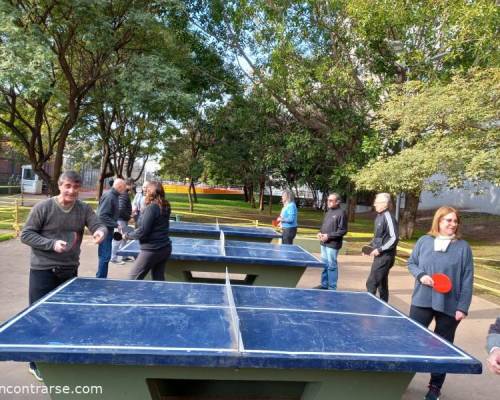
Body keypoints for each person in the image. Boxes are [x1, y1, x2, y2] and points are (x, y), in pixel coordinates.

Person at [20, 171, 107, 381]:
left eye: (75, 187)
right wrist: (51, 244)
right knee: (40, 317)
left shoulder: (83, 208)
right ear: (60, 185)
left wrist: (100, 232)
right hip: (43, 270)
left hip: (69, 269)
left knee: (66, 316)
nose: (71, 190)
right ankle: (35, 362)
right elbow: (26, 234)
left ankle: (59, 357)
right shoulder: (43, 207)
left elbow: (97, 223)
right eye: (67, 186)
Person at [408, 206, 474, 400]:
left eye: (455, 221)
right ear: (438, 221)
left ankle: (435, 387)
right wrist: (421, 276)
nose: (453, 224)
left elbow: (467, 279)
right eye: (448, 220)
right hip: (422, 300)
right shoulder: (424, 241)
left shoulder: (463, 247)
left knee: (440, 347)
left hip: (450, 305)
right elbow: (411, 263)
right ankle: (399, 377)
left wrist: (462, 307)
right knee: (410, 341)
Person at [123, 181, 172, 281]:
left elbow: (143, 231)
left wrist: (127, 235)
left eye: (147, 189)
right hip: (165, 248)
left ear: (150, 192)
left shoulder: (152, 208)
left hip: (152, 250)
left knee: (131, 280)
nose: (145, 191)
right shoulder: (165, 205)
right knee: (158, 279)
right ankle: (158, 297)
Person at [364, 193, 398, 301]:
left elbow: (394, 238)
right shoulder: (379, 217)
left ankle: (370, 307)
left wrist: (380, 249)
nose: (374, 204)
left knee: (371, 282)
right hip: (380, 256)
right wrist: (369, 247)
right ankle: (384, 306)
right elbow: (378, 237)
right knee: (382, 284)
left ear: (385, 204)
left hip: (385, 256)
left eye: (377, 202)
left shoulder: (388, 217)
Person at [316, 193, 348, 290]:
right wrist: (320, 233)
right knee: (325, 265)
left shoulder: (341, 213)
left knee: (331, 266)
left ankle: (332, 287)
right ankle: (324, 285)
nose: (328, 202)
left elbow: (343, 230)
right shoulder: (328, 212)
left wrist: (328, 236)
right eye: (328, 200)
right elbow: (324, 226)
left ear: (338, 202)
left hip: (333, 245)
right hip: (324, 243)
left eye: (331, 200)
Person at [96, 178, 126, 278]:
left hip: (107, 229)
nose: (125, 190)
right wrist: (116, 224)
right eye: (124, 187)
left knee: (103, 256)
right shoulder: (110, 196)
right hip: (104, 230)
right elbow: (102, 215)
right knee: (105, 256)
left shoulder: (114, 195)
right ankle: (101, 279)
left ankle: (100, 277)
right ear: (119, 187)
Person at [110, 178, 134, 264]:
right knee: (118, 239)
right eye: (132, 185)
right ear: (129, 185)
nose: (132, 187)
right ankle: (113, 258)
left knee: (124, 239)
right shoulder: (124, 194)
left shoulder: (125, 193)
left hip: (123, 219)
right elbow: (121, 209)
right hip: (121, 220)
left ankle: (124, 256)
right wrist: (129, 217)